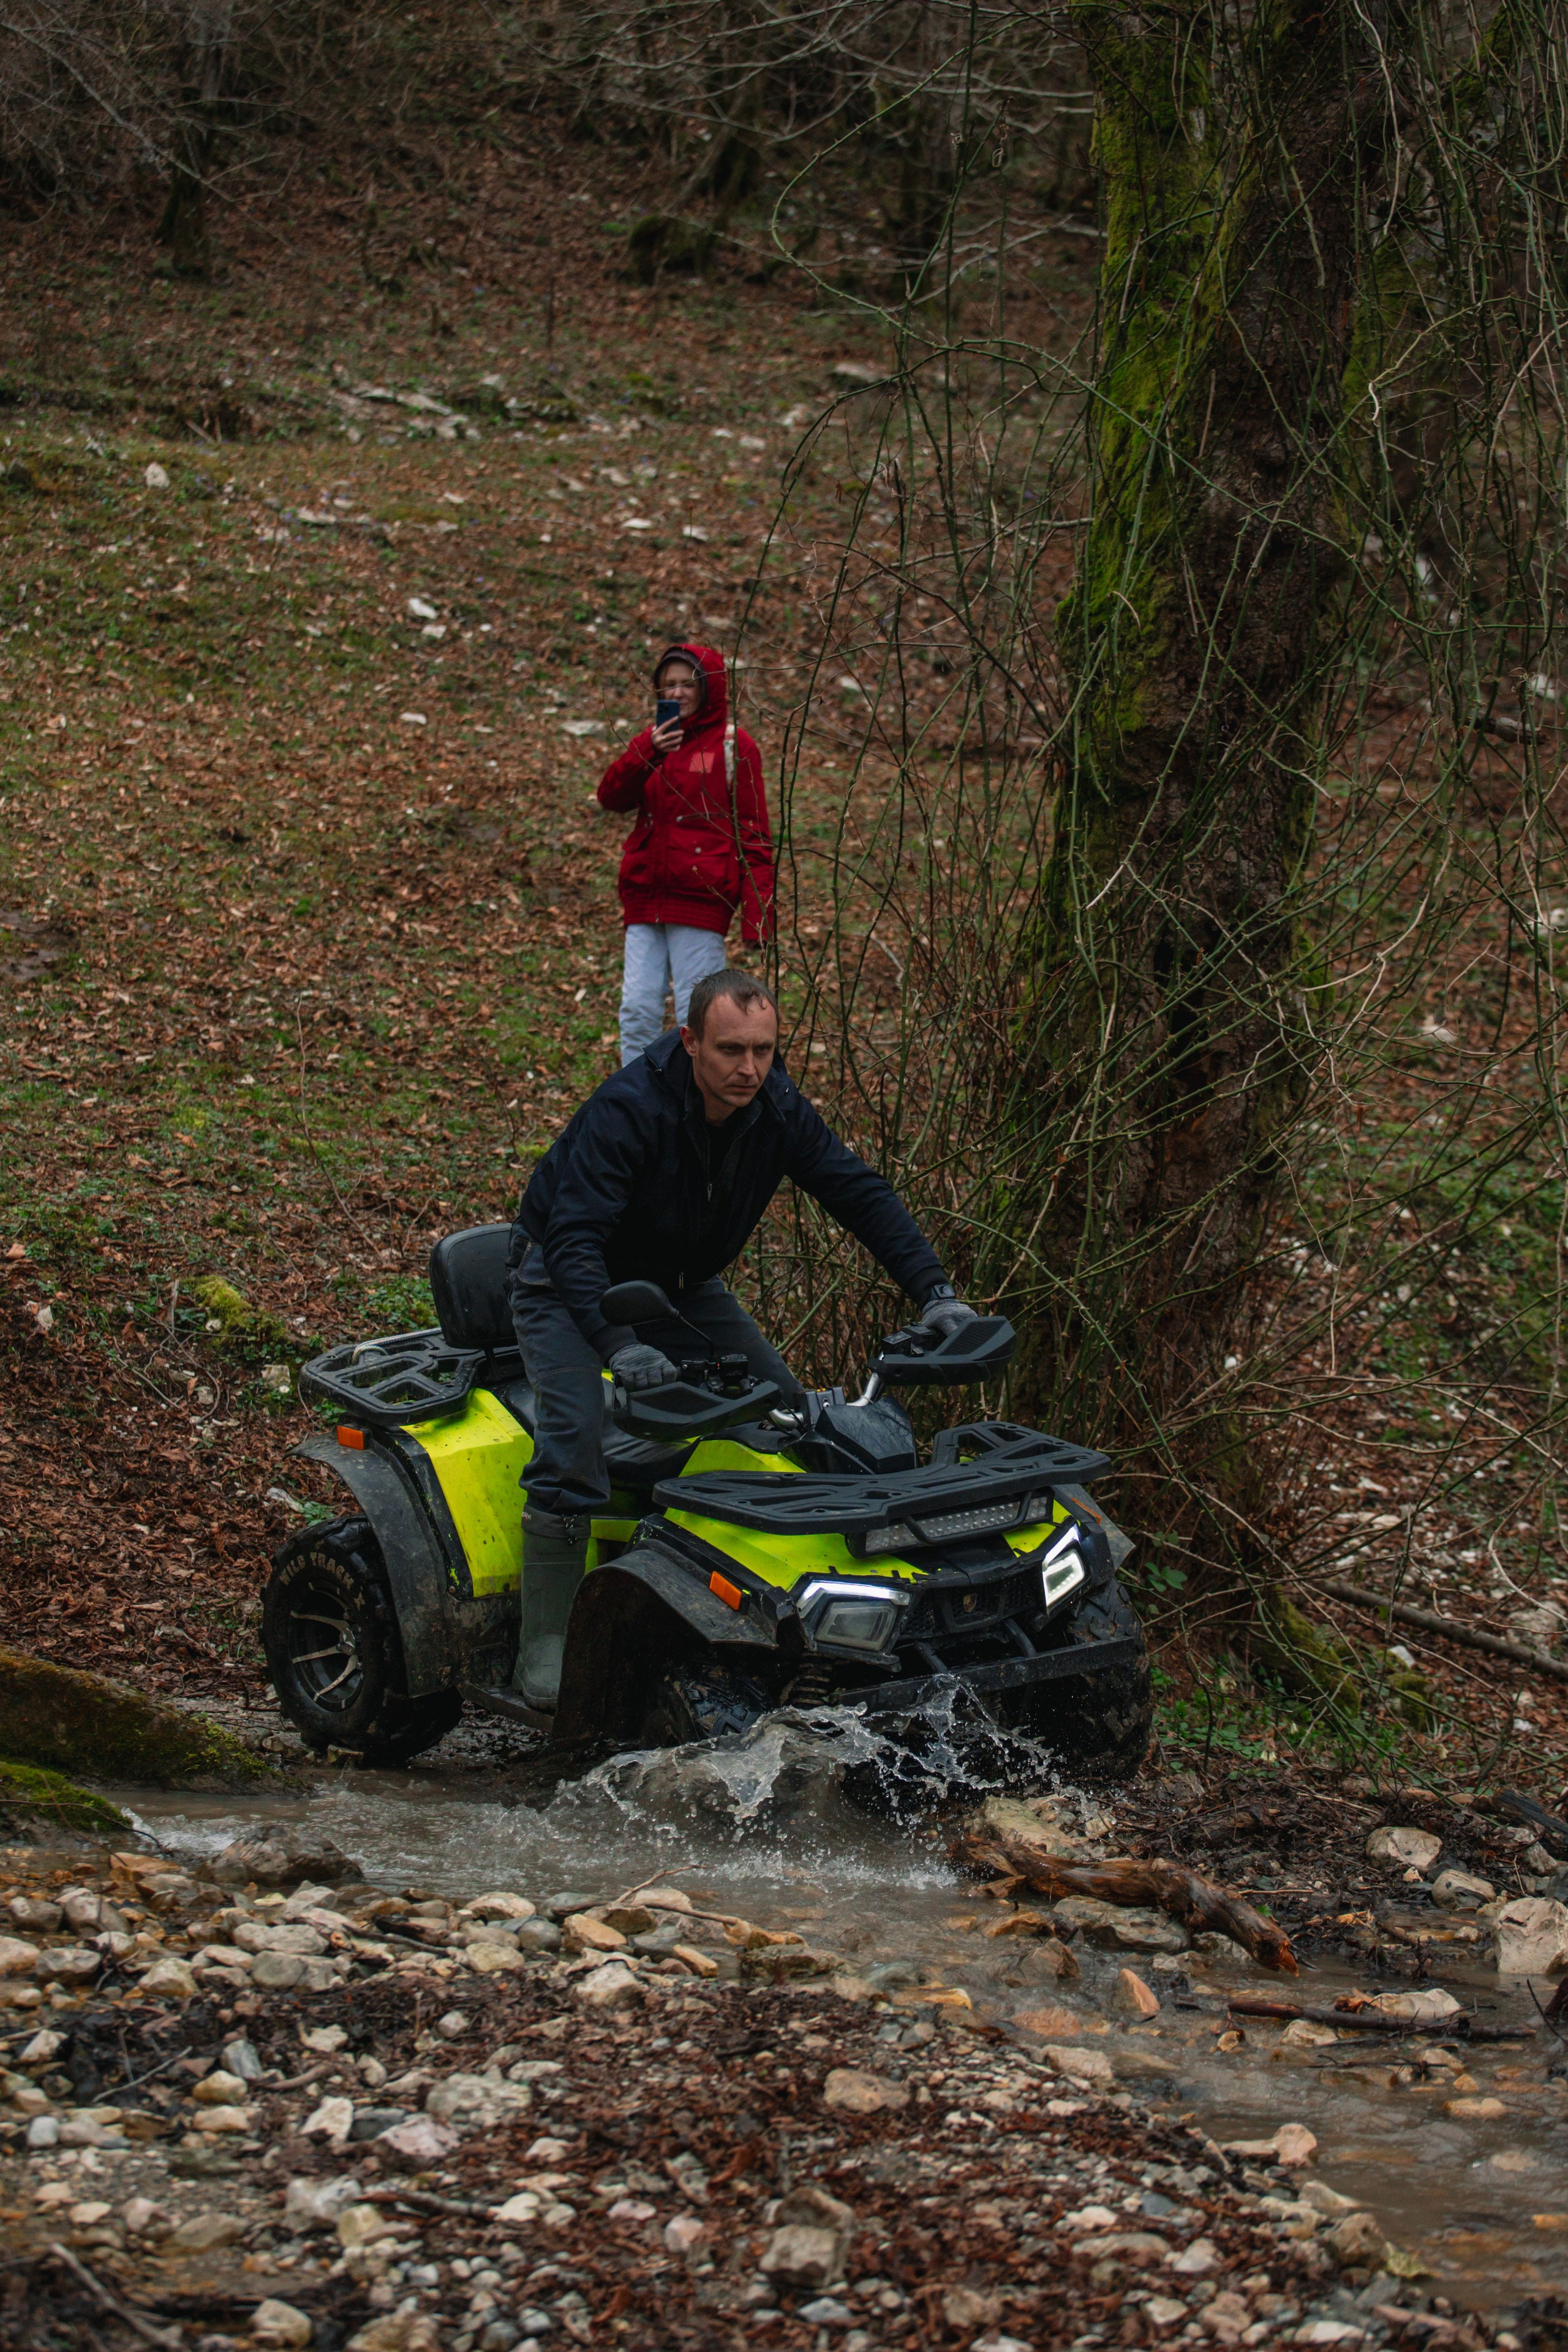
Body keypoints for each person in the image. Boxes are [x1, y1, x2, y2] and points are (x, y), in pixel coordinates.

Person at [500, 967, 976, 1709]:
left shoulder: (776, 1108)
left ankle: (808, 1619)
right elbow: (573, 1240)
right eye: (730, 1050)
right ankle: (548, 1644)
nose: (749, 1069)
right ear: (690, 1041)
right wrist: (619, 1345)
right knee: (574, 1429)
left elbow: (859, 1193)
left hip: (681, 1288)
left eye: (762, 1050)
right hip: (563, 1282)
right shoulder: (629, 1108)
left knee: (784, 1419)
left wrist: (936, 1294)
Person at [597, 641, 773, 1065]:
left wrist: (759, 918)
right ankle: (635, 1098)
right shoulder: (654, 742)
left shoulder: (734, 746)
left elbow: (754, 836)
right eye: (668, 684)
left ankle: (696, 1099)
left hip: (701, 900)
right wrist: (649, 750)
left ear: (709, 688)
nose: (676, 693)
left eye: (688, 684)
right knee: (637, 1011)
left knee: (697, 1019)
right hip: (645, 896)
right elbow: (610, 797)